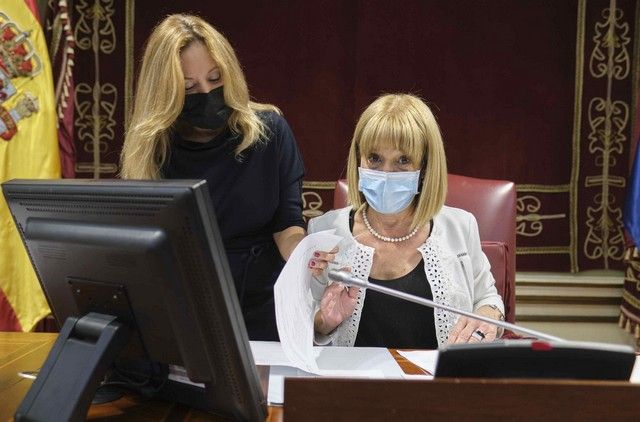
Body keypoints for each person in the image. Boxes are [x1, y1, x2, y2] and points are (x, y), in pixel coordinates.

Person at [120, 14, 305, 341]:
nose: (206, 93)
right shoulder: (152, 151)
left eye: (215, 78)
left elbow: (287, 226)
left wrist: (309, 256)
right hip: (185, 314)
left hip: (263, 310)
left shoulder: (269, 132)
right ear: (166, 94)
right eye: (189, 88)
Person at [307, 93, 504, 348]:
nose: (386, 173)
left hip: (439, 384)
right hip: (352, 385)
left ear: (425, 168)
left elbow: (488, 299)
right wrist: (324, 322)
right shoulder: (323, 231)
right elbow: (300, 324)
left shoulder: (461, 227)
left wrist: (489, 317)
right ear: (358, 159)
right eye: (375, 158)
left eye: (403, 160)